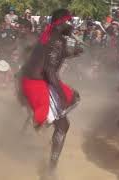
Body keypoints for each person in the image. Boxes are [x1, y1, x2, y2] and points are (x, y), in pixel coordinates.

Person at [19, 9, 83, 178]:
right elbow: (50, 71)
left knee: (69, 107)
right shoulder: (56, 41)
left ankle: (37, 127)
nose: (71, 25)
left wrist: (72, 53)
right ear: (60, 23)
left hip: (31, 82)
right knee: (63, 123)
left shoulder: (49, 36)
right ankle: (50, 170)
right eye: (68, 21)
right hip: (37, 85)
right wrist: (62, 96)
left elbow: (49, 59)